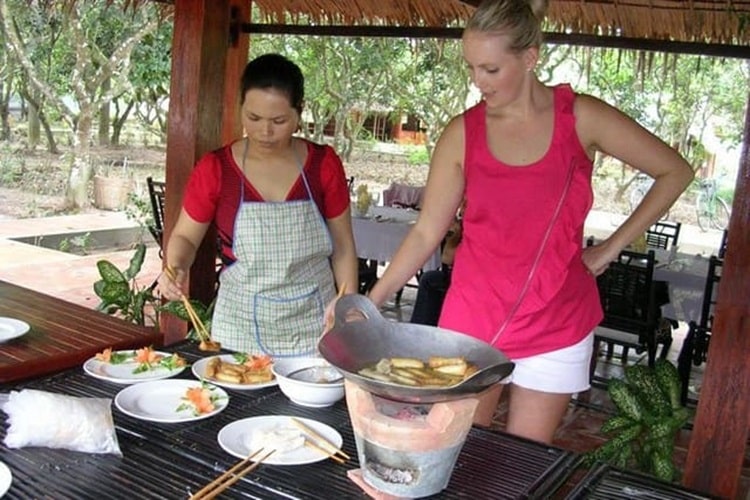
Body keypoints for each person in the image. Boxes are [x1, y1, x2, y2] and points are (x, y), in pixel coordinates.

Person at [366, 0, 693, 444]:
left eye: (491, 69)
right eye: (472, 68)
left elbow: (674, 170)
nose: (478, 81)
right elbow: (427, 231)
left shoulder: (580, 117)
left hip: (557, 319)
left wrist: (609, 249)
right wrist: (372, 302)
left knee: (524, 462)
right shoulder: (462, 132)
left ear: (529, 58)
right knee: (450, 452)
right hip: (473, 320)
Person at [157, 53, 358, 356]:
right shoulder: (216, 169)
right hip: (240, 326)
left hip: (316, 322)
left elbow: (343, 247)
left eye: (278, 121)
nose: (265, 132)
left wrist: (348, 304)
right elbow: (185, 236)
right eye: (253, 118)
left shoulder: (323, 164)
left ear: (299, 113)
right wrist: (176, 266)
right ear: (240, 109)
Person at [409, 208, 463, 326]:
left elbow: (447, 257)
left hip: (464, 278)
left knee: (429, 280)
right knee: (430, 278)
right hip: (458, 274)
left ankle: (420, 328)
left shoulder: (469, 227)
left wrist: (456, 235)